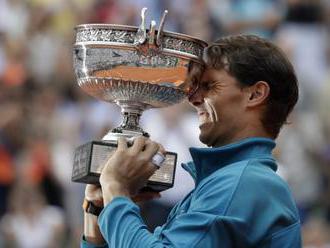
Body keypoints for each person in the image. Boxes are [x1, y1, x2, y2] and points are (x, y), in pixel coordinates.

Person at [80, 35, 301, 247]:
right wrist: (97, 212)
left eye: (209, 86)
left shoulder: (244, 184)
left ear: (255, 94)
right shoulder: (227, 182)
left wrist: (116, 190)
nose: (193, 98)